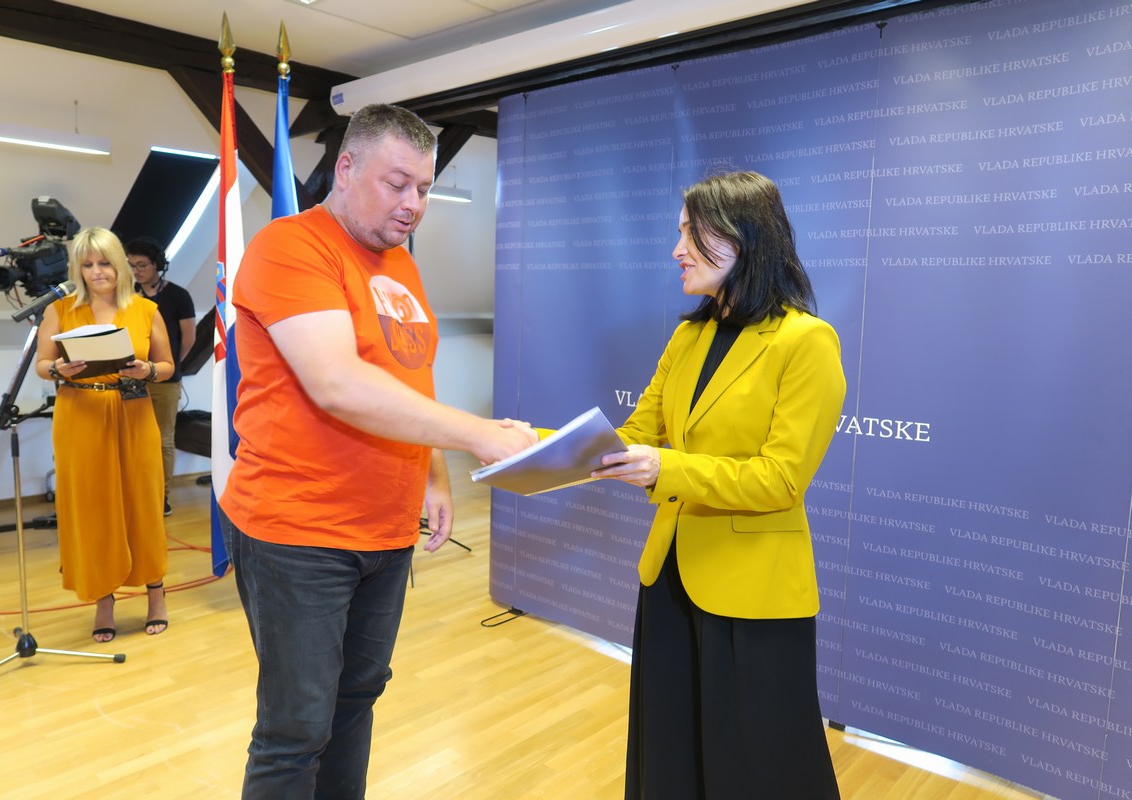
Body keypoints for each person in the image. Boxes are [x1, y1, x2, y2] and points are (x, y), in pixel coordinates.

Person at [216, 103, 537, 799]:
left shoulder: (401, 265)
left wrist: (435, 472)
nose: (413, 203)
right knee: (296, 729)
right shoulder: (290, 247)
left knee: (356, 698)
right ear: (346, 167)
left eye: (424, 188)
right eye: (397, 184)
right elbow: (337, 382)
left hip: (384, 530)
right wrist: (477, 433)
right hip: (299, 531)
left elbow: (407, 378)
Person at [593, 171, 846, 799]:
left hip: (754, 592)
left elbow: (779, 480)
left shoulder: (807, 342)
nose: (676, 250)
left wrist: (665, 468)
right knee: (670, 753)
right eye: (679, 233)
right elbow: (635, 433)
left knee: (758, 768)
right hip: (670, 577)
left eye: (690, 234)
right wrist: (533, 444)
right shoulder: (689, 336)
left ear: (744, 237)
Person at [34, 227, 175, 642]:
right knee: (93, 508)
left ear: (121, 266)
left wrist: (147, 370)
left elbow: (167, 365)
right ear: (77, 270)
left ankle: (156, 594)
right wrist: (57, 369)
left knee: (142, 503)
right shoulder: (60, 310)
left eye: (105, 263)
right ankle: (103, 599)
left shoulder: (146, 310)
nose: (97, 271)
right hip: (80, 413)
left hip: (133, 411)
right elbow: (42, 363)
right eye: (88, 265)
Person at [125, 237, 196, 517]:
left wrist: (170, 364)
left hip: (165, 380)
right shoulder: (128, 297)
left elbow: (188, 338)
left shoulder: (178, 296)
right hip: (131, 379)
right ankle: (137, 493)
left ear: (158, 265)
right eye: (132, 266)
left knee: (163, 439)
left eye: (142, 265)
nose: (137, 271)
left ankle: (161, 496)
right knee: (133, 439)